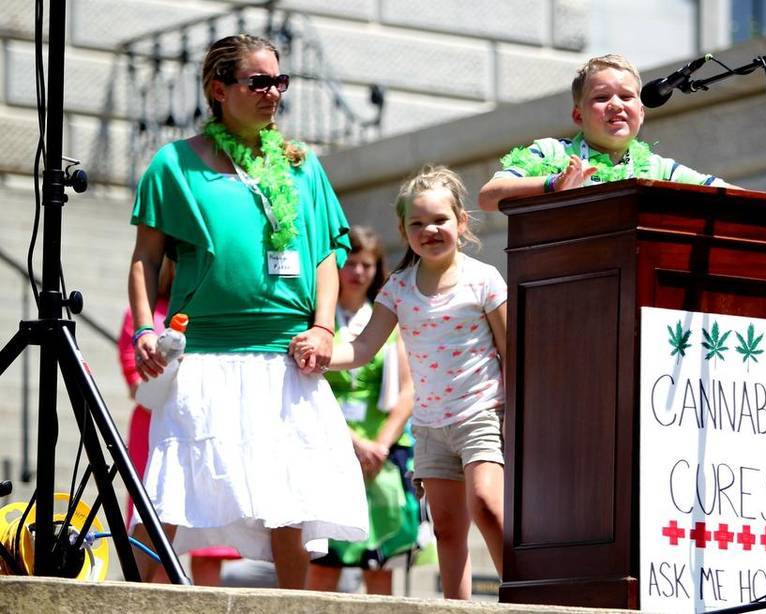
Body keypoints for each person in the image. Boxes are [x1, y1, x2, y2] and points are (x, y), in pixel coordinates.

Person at [127, 34, 367, 589]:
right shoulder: (174, 164)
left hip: (286, 354)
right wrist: (143, 328)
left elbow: (326, 255)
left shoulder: (302, 165)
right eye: (258, 82)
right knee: (170, 490)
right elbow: (145, 258)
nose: (273, 93)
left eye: (279, 81)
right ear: (219, 89)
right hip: (204, 352)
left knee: (290, 498)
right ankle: (131, 600)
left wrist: (323, 328)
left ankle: (293, 606)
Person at [301, 165, 507, 599]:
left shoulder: (484, 278)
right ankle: (458, 609)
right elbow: (362, 347)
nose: (429, 230)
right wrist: (320, 351)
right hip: (430, 427)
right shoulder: (397, 288)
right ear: (403, 231)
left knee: (488, 506)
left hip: (482, 415)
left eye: (440, 220)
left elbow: (513, 351)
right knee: (448, 530)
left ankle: (529, 597)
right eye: (417, 223)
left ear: (461, 222)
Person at [306, 226, 420, 595]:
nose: (358, 272)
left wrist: (380, 446)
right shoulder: (317, 321)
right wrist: (354, 444)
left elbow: (408, 390)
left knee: (380, 565)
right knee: (323, 565)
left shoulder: (386, 319)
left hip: (382, 456)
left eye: (366, 265)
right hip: (329, 447)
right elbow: (307, 389)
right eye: (350, 263)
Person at [117, 259, 241, 586]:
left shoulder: (215, 313)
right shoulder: (145, 316)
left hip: (207, 423)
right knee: (155, 525)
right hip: (155, 429)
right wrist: (169, 368)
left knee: (210, 544)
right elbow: (135, 385)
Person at [478, 53, 730, 212]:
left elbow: (728, 194)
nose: (616, 105)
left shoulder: (659, 168)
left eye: (626, 96)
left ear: (641, 113)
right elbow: (488, 197)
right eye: (601, 97)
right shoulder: (551, 152)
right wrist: (555, 183)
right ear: (578, 115)